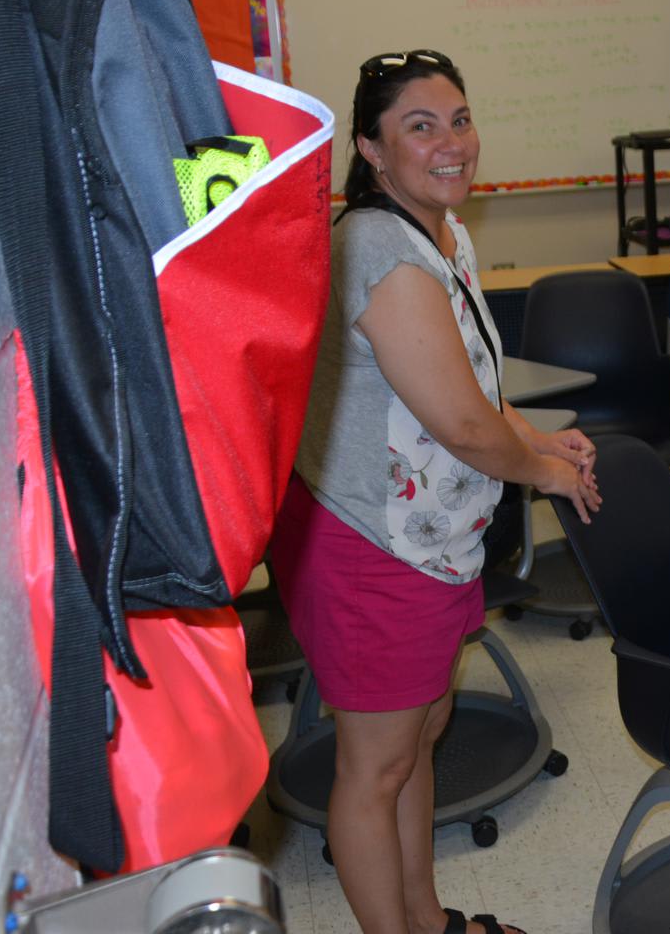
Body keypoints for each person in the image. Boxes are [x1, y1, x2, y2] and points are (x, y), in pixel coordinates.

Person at [271, 49, 600, 934]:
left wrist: (537, 438)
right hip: (367, 543)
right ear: (372, 150)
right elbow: (460, 425)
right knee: (374, 767)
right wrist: (547, 473)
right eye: (420, 127)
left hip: (431, 535)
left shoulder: (442, 233)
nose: (451, 142)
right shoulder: (378, 246)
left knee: (420, 734)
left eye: (459, 119)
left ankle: (427, 920)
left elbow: (469, 388)